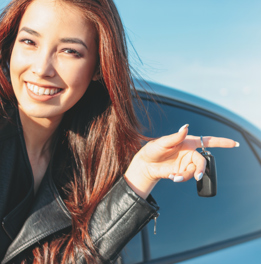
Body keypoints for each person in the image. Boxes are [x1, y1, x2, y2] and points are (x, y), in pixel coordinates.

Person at [0, 0, 239, 263]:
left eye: (69, 51)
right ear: (11, 45)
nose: (42, 69)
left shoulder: (93, 164)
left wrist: (140, 175)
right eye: (29, 42)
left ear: (98, 67)